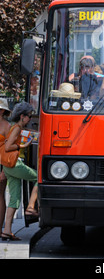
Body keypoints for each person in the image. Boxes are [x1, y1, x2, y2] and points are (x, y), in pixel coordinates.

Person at [1, 102, 38, 242]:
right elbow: (8, 146)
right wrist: (23, 145)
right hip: (14, 165)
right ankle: (30, 207)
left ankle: (7, 231)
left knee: (15, 198)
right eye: (29, 116)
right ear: (22, 116)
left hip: (9, 167)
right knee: (39, 177)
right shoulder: (16, 128)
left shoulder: (18, 128)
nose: (30, 119)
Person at [0, 99, 11, 236]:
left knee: (0, 195)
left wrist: (4, 170)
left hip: (1, 163)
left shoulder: (7, 126)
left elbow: (8, 150)